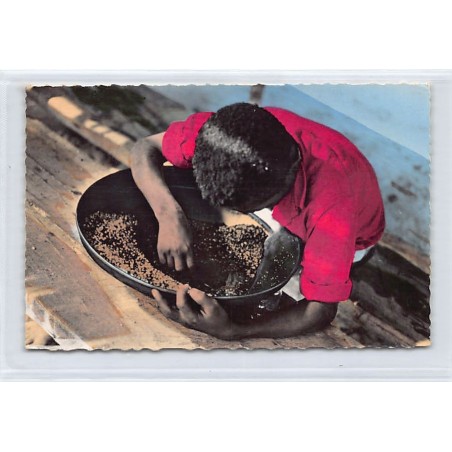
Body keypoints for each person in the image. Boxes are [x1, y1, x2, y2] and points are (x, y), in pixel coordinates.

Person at [131, 103, 385, 340]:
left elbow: (320, 309)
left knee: (279, 284)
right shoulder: (224, 136)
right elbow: (145, 147)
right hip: (287, 193)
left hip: (351, 234)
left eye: (251, 208)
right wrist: (169, 216)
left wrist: (234, 330)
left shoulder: (332, 213)